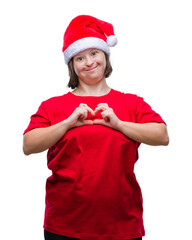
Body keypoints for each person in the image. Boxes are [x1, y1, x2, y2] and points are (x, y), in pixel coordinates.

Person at [23, 15, 169, 240]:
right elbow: (28, 145)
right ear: (72, 64)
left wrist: (119, 124)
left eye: (94, 53)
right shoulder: (52, 106)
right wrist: (67, 123)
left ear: (105, 55)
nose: (89, 62)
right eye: (80, 57)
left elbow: (162, 135)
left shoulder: (132, 102)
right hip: (64, 224)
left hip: (122, 224)